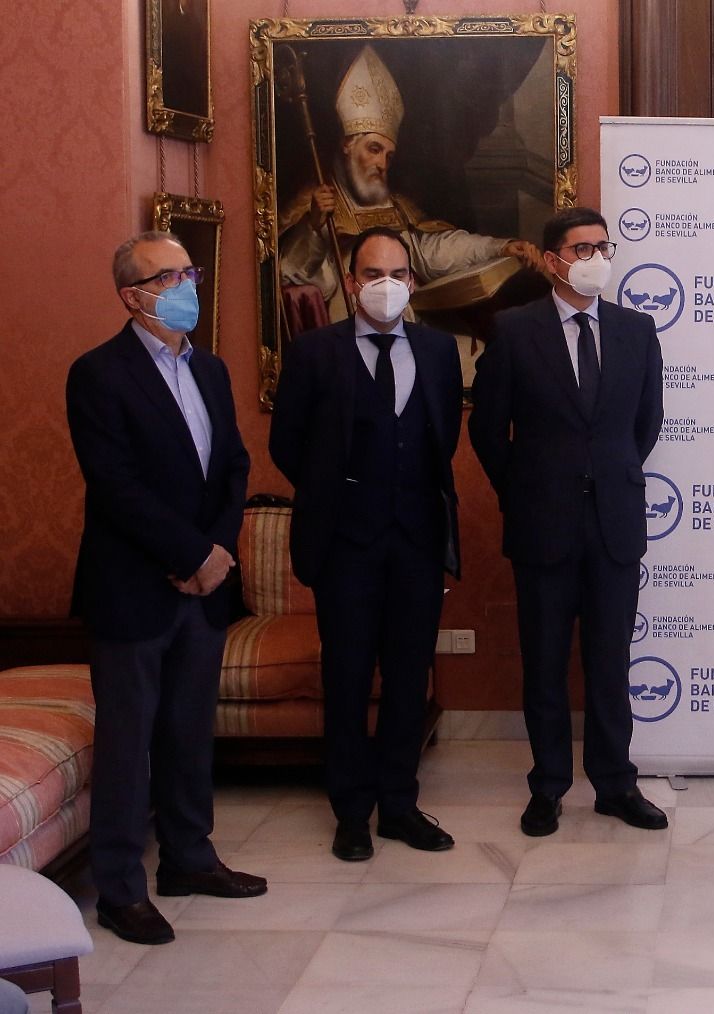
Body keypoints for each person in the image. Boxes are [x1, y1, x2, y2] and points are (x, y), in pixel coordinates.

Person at [66, 231, 265, 945]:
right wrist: (188, 554)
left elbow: (235, 467)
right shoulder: (98, 374)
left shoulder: (209, 369)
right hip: (133, 590)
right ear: (133, 294)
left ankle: (190, 858)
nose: (188, 286)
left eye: (191, 271)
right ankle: (121, 888)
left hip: (203, 588)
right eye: (170, 275)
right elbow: (115, 485)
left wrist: (215, 554)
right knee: (129, 740)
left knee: (188, 731)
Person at [469, 207, 667, 837]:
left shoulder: (636, 331)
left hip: (614, 523)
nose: (595, 258)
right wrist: (524, 489)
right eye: (582, 249)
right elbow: (486, 429)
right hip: (542, 525)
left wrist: (609, 474)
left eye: (603, 247)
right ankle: (548, 785)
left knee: (611, 662)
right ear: (553, 261)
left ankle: (615, 785)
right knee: (546, 663)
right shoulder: (515, 330)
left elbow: (645, 424)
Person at [269, 227, 464, 861]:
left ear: (412, 282)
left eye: (399, 274)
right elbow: (287, 444)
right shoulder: (312, 352)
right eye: (373, 273)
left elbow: (443, 438)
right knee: (348, 677)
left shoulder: (437, 351)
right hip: (345, 544)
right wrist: (339, 491)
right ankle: (351, 810)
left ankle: (400, 805)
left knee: (410, 677)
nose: (387, 285)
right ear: (350, 282)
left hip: (416, 539)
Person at [277, 44, 539, 324]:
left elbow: (434, 252)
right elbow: (292, 274)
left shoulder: (396, 206)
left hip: (405, 323)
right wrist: (314, 229)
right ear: (346, 147)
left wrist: (499, 247)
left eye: (388, 155)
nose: (382, 163)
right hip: (345, 327)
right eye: (374, 149)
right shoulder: (317, 206)